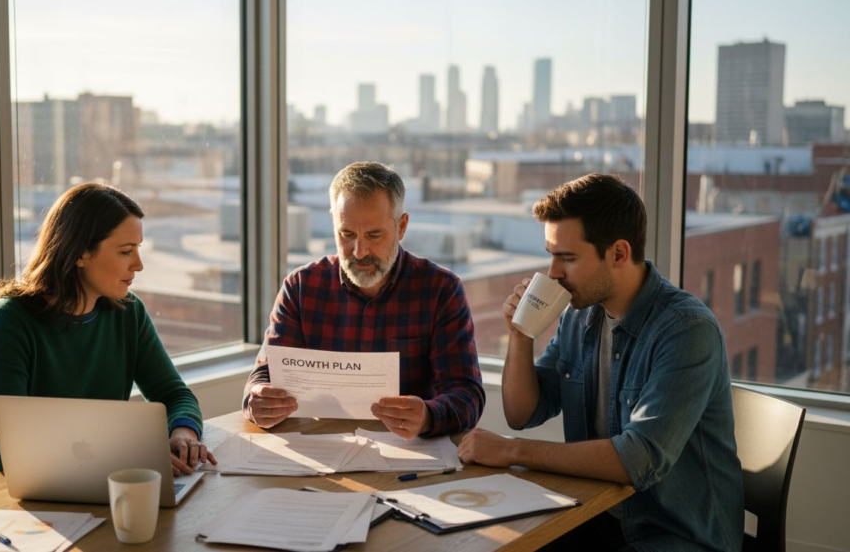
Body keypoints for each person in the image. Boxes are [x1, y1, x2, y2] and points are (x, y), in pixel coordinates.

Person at [458, 174, 742, 551]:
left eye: (568, 258)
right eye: (551, 255)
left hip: (674, 536)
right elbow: (523, 413)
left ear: (619, 254)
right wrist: (520, 334)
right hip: (595, 515)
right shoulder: (579, 315)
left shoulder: (686, 331)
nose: (553, 273)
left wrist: (511, 450)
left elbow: (638, 459)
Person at [0, 182, 215, 481]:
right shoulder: (8, 321)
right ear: (79, 253)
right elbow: (4, 449)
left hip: (88, 480)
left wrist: (183, 431)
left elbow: (173, 394)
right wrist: (130, 458)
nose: (139, 265)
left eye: (138, 249)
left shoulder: (128, 313)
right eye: (126, 251)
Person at [242, 161, 485, 439]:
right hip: (324, 448)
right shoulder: (301, 287)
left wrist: (429, 416)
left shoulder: (441, 290)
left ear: (401, 226)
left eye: (374, 235)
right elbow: (263, 377)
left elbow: (468, 396)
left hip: (411, 454)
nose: (358, 252)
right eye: (346, 234)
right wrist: (257, 400)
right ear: (333, 222)